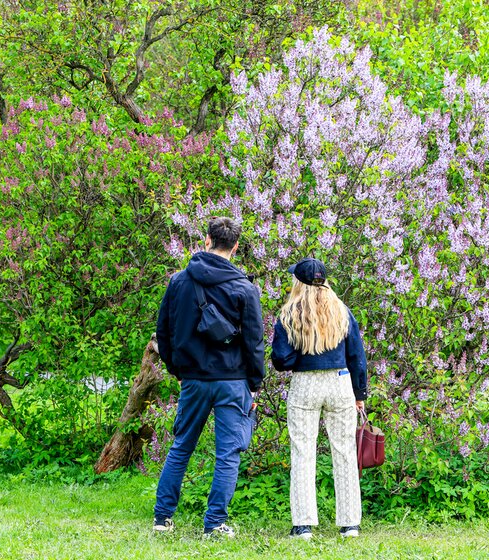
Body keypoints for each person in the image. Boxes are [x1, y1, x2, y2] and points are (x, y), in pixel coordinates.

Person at [153, 217, 265, 538]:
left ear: (206, 240)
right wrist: (254, 383)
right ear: (236, 246)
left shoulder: (179, 282)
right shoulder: (245, 288)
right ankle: (214, 524)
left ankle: (162, 518)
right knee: (227, 455)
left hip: (194, 379)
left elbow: (163, 332)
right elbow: (254, 341)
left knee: (181, 447)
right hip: (233, 380)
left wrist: (177, 370)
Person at [271, 257, 367, 540]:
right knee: (345, 451)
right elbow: (356, 356)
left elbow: (281, 360)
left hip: (306, 383)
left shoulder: (290, 313)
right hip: (340, 381)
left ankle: (303, 525)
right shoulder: (342, 310)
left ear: (298, 282)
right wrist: (359, 393)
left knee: (303, 452)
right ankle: (350, 523)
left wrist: (299, 352)